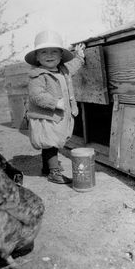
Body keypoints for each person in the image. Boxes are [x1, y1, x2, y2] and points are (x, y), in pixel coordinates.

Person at [24, 30, 85, 184]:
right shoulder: (37, 75)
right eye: (43, 52)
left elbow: (74, 66)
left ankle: (47, 167)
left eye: (54, 52)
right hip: (46, 116)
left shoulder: (63, 70)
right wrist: (55, 103)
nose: (49, 55)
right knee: (50, 142)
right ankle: (53, 172)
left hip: (58, 116)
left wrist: (80, 57)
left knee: (54, 140)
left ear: (60, 56)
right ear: (37, 56)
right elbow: (36, 95)